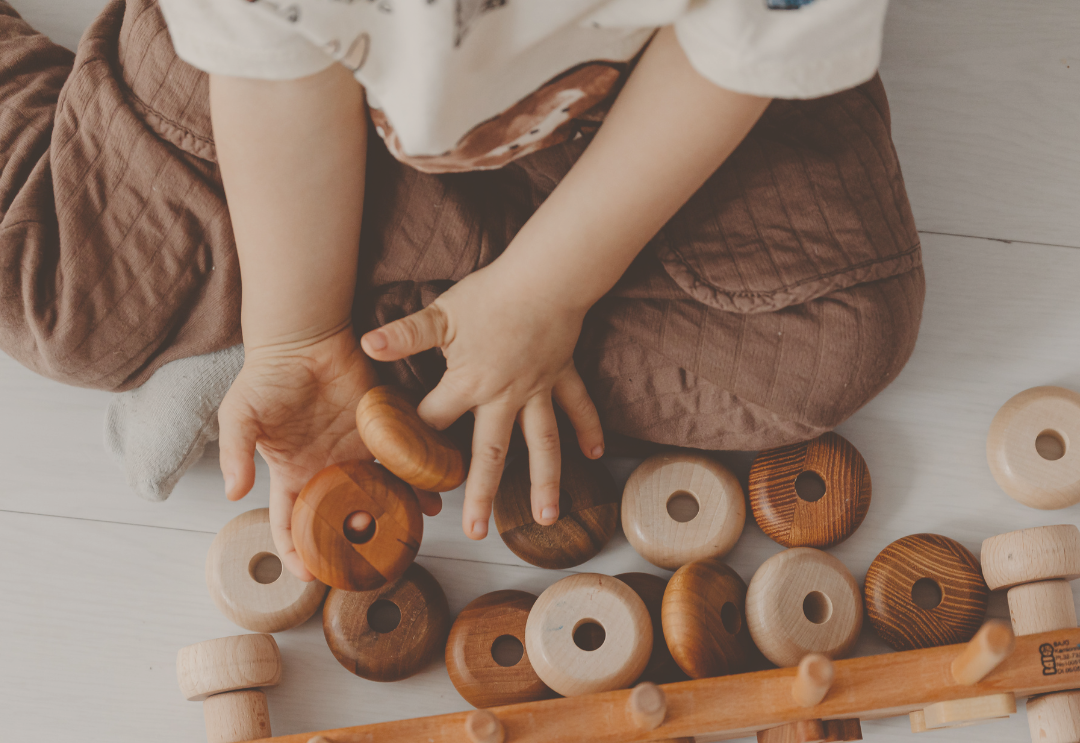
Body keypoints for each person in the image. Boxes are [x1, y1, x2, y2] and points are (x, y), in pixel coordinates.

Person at [0, 0, 924, 577]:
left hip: (634, 101)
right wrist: (295, 331)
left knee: (832, 344)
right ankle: (387, 324)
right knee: (60, 306)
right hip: (295, 90)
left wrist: (545, 292)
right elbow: (271, 68)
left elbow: (740, 55)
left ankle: (406, 312)